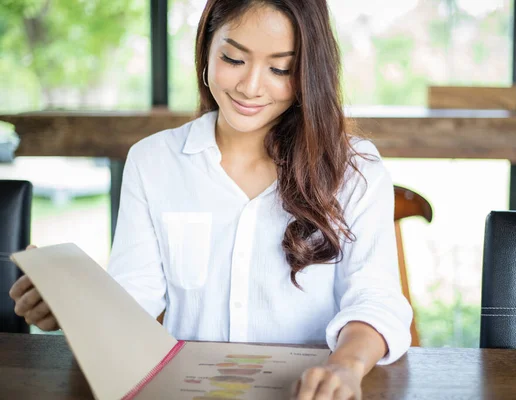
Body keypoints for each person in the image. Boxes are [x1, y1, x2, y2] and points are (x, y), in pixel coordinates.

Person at [9, 0, 412, 398]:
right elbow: (134, 298)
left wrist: (345, 366)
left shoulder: (355, 170)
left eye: (280, 69)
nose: (250, 86)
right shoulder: (153, 161)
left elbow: (374, 300)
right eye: (234, 59)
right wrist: (70, 306)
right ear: (206, 48)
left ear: (308, 72)